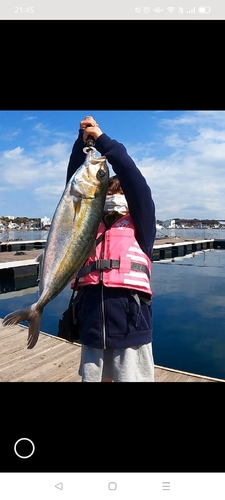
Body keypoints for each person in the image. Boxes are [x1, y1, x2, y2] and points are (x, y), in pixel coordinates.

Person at [66, 116, 156, 382]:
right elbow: (74, 183)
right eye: (107, 195)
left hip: (132, 328)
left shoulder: (141, 226)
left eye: (119, 195)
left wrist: (104, 140)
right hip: (91, 326)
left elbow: (133, 178)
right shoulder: (88, 228)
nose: (113, 200)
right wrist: (82, 141)